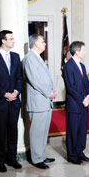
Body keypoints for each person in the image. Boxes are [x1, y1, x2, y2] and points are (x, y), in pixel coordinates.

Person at [0, 30, 23, 172]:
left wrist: (16, 92)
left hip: (14, 101)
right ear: (3, 41)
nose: (14, 41)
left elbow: (19, 77)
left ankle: (12, 159)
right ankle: (0, 161)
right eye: (11, 39)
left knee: (13, 131)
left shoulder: (15, 56)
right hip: (0, 101)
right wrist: (4, 94)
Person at [22, 34, 57, 169]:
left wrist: (52, 91)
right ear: (36, 43)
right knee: (37, 132)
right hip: (38, 101)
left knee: (43, 131)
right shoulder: (30, 58)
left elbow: (45, 78)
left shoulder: (38, 58)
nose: (45, 44)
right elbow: (35, 80)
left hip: (45, 101)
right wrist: (49, 93)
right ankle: (36, 159)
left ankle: (41, 155)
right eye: (43, 41)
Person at [62, 41, 89, 164]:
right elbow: (71, 87)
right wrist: (82, 99)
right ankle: (72, 155)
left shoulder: (82, 66)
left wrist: (88, 96)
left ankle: (80, 152)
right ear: (76, 52)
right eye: (83, 50)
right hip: (74, 105)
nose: (85, 52)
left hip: (84, 104)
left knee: (82, 130)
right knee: (73, 131)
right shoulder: (68, 67)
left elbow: (86, 84)